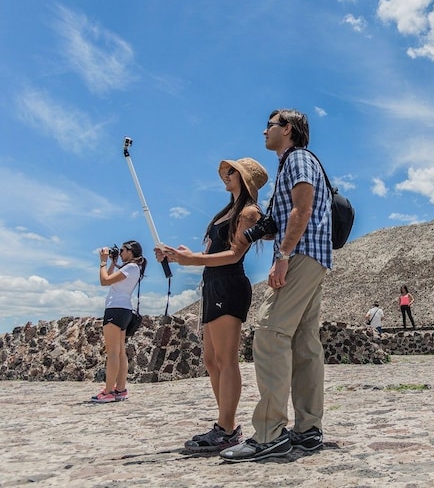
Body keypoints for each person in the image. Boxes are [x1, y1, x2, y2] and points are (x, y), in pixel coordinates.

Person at [220, 108, 331, 462]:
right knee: (303, 344)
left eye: (269, 126)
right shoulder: (296, 163)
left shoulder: (297, 159)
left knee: (269, 334)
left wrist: (282, 253)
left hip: (298, 256)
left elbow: (302, 208)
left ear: (288, 129)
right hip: (314, 257)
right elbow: (289, 215)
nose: (263, 132)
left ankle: (269, 434)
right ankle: (308, 430)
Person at [156, 157, 268, 453]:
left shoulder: (249, 211)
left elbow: (233, 254)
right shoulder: (228, 210)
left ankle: (227, 428)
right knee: (211, 359)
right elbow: (212, 251)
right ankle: (225, 423)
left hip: (229, 284)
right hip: (213, 285)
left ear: (244, 179)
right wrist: (180, 255)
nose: (225, 175)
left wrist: (192, 260)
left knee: (225, 358)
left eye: (231, 172)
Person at [91, 240, 146, 403]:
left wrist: (102, 262)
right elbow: (112, 278)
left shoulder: (130, 267)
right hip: (124, 310)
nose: (120, 253)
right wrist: (113, 263)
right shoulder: (134, 268)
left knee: (113, 352)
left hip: (115, 309)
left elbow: (104, 281)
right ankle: (120, 389)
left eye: (123, 250)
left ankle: (108, 391)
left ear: (131, 252)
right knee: (120, 352)